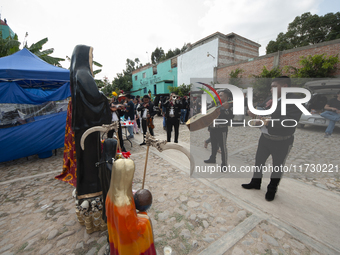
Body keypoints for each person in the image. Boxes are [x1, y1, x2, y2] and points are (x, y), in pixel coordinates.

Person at [69, 45, 111, 230]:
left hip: (83, 130)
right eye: (91, 59)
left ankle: (85, 195)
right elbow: (95, 97)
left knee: (85, 165)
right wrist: (106, 100)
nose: (92, 63)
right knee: (91, 165)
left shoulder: (75, 74)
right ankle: (93, 196)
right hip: (88, 131)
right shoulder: (84, 74)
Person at [242, 76, 302, 201]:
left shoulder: (295, 100)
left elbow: (290, 122)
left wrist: (266, 121)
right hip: (265, 138)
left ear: (284, 87)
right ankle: (255, 182)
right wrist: (253, 113)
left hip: (282, 141)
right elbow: (261, 109)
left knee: (277, 166)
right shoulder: (270, 99)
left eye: (274, 86)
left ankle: (272, 188)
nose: (271, 89)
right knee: (259, 162)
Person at [204, 90, 233, 167]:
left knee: (223, 147)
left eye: (220, 95)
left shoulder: (229, 105)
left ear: (226, 97)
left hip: (222, 129)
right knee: (213, 145)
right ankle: (212, 158)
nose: (218, 97)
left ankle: (224, 164)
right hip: (213, 128)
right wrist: (209, 126)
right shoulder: (215, 104)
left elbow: (230, 117)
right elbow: (209, 115)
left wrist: (226, 109)